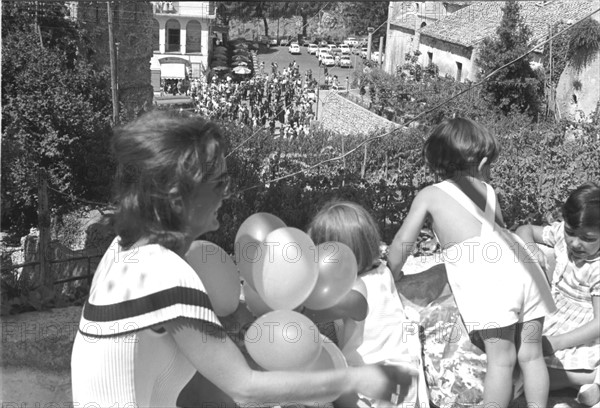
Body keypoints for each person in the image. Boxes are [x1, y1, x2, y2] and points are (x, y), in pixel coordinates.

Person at [70, 111, 415, 406]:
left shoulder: (123, 251)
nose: (228, 192)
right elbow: (244, 388)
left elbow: (193, 382)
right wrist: (356, 381)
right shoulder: (166, 274)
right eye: (219, 183)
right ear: (178, 199)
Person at [387, 117, 556, 408]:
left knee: (501, 362)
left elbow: (404, 243)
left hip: (493, 280)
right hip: (526, 271)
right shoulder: (488, 191)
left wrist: (390, 270)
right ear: (480, 164)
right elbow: (499, 232)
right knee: (531, 355)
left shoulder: (430, 195)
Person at [304, 200, 428, 408]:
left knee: (331, 388)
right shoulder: (384, 272)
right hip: (403, 375)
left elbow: (309, 314)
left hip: (370, 380)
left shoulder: (352, 288)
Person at [516, 182, 600, 406]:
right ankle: (585, 385)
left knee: (529, 370)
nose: (575, 243)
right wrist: (530, 248)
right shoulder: (562, 237)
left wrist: (557, 342)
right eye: (570, 233)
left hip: (583, 329)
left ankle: (586, 378)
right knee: (522, 355)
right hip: (555, 313)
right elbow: (525, 229)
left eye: (588, 239)